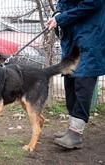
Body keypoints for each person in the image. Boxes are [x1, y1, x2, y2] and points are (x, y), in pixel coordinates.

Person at [46, 0, 105, 149]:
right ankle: (71, 128)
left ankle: (76, 132)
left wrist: (61, 18)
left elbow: (91, 3)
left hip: (91, 36)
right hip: (72, 35)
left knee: (83, 81)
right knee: (69, 80)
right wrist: (57, 13)